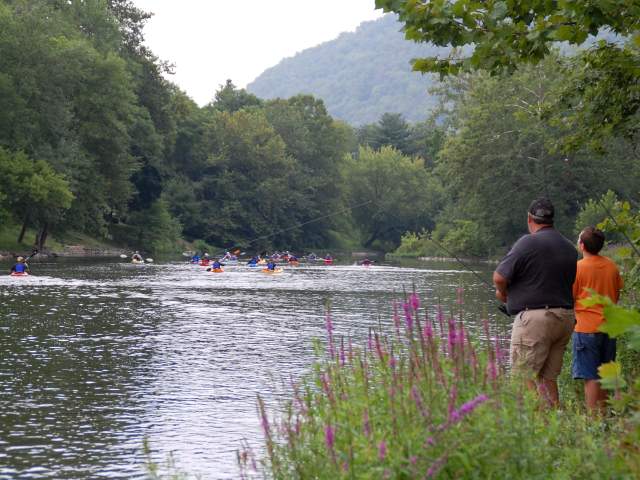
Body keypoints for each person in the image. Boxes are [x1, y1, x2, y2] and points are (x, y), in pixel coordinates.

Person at [493, 198, 578, 407]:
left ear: (530, 218)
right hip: (565, 318)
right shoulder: (569, 247)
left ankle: (533, 427)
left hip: (536, 320)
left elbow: (499, 277)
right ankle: (554, 425)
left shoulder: (527, 242)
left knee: (523, 377)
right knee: (548, 379)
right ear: (552, 220)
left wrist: (503, 294)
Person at [573, 226, 624, 415]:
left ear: (582, 245)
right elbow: (616, 293)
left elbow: (571, 297)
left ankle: (593, 420)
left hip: (586, 328)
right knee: (605, 374)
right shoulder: (611, 265)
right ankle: (604, 416)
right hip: (609, 327)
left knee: (590, 376)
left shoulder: (578, 268)